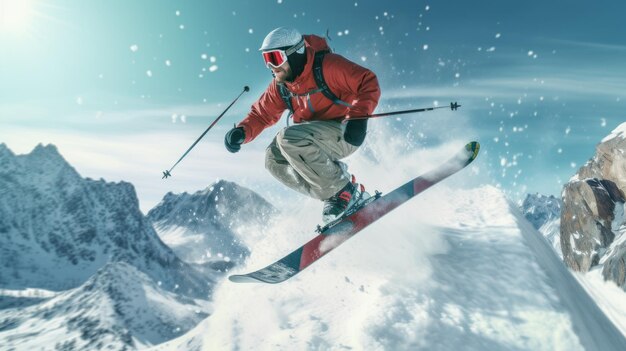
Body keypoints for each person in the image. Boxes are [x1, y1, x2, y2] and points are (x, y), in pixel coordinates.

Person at [224, 27, 381, 223]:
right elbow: (262, 114)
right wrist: (242, 131)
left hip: (345, 132)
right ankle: (333, 191)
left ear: (295, 54)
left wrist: (358, 118)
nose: (271, 66)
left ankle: (342, 191)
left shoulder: (327, 67)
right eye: (266, 60)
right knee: (273, 159)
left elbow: (367, 81)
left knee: (288, 138)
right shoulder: (281, 86)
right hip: (311, 141)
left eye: (275, 58)